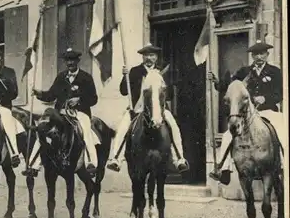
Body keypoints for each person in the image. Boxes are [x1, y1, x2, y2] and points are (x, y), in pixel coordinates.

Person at [208, 40, 284, 185]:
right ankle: (222, 169)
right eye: (255, 54)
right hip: (248, 115)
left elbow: (280, 93)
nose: (259, 57)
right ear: (252, 56)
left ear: (267, 54)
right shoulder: (244, 72)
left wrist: (266, 98)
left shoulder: (275, 72)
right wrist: (216, 82)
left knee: (282, 132)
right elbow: (230, 87)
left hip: (268, 112)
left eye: (262, 53)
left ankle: (283, 163)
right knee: (227, 136)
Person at [106, 43, 189, 173]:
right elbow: (123, 91)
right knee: (123, 128)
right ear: (142, 57)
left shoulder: (163, 72)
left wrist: (167, 85)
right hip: (137, 109)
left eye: (152, 55)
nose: (149, 58)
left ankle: (179, 159)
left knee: (173, 126)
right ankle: (116, 158)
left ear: (156, 57)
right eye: (146, 55)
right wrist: (125, 76)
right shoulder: (135, 71)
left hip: (159, 110)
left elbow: (170, 96)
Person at [25, 48, 99, 177]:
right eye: (67, 60)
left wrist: (80, 100)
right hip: (60, 113)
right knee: (43, 130)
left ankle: (91, 163)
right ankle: (33, 165)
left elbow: (94, 99)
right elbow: (51, 95)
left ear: (77, 61)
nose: (70, 63)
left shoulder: (86, 77)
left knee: (86, 131)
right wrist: (39, 93)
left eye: (72, 60)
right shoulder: (61, 77)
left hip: (79, 113)